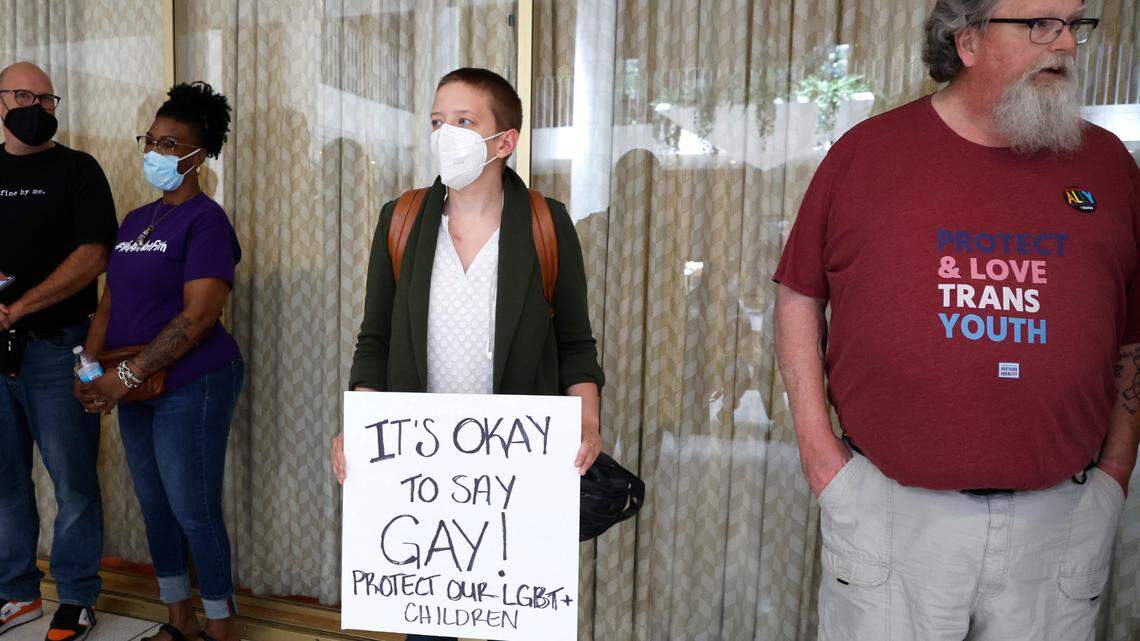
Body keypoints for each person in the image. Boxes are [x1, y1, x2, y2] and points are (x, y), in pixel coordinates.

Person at [773, 1, 1140, 639]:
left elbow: (1134, 326)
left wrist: (1115, 471)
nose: (1066, 45)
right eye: (1039, 25)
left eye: (1074, 25)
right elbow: (799, 294)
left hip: (1060, 519)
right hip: (892, 515)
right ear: (966, 42)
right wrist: (820, 457)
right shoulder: (868, 155)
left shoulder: (1107, 166)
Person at [330, 67, 605, 641]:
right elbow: (374, 339)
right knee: (428, 627)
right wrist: (361, 426)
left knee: (514, 618)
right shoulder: (401, 220)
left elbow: (575, 341)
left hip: (513, 470)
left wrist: (586, 419)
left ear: (504, 141)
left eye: (463, 121)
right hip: (423, 471)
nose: (443, 134)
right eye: (436, 121)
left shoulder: (546, 224)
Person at [75, 81, 243, 641]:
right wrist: (91, 370)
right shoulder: (134, 220)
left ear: (199, 155)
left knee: (193, 508)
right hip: (133, 382)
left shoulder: (207, 221)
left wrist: (124, 377)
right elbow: (110, 302)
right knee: (153, 504)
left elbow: (196, 319)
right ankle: (179, 619)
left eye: (170, 145)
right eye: (151, 139)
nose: (155, 152)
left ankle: (220, 625)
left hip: (192, 380)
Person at [0, 61, 118, 641]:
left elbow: (95, 255)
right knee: (3, 480)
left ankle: (75, 596)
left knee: (73, 480)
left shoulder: (78, 170)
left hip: (59, 348)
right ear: (0, 102)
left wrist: (18, 308)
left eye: (47, 99)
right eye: (24, 95)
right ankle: (15, 592)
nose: (38, 107)